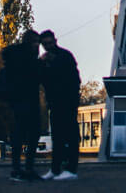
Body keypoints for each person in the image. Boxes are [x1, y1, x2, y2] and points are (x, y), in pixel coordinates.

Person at [39, 29, 80, 182]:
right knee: (57, 137)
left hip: (67, 101)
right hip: (55, 103)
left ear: (55, 40)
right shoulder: (46, 61)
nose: (48, 46)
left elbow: (73, 79)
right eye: (45, 44)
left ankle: (71, 169)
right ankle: (55, 169)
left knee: (70, 135)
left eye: (50, 43)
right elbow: (44, 81)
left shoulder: (65, 56)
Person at [1, 29, 41, 183]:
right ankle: (21, 168)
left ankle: (20, 168)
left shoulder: (16, 58)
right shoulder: (25, 61)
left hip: (22, 101)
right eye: (35, 42)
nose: (37, 46)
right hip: (23, 101)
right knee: (26, 135)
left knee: (26, 134)